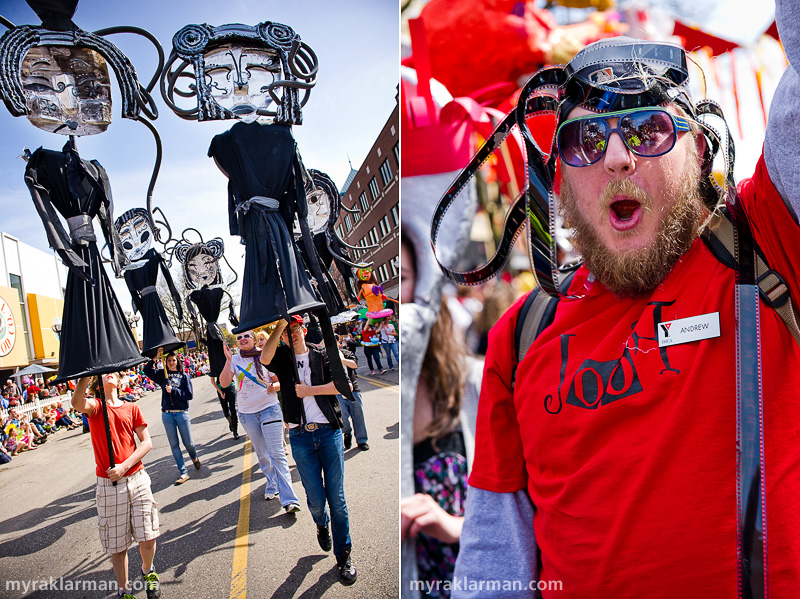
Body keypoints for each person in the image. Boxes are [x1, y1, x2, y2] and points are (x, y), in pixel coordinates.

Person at [451, 7, 800, 598]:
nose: (616, 156)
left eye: (649, 129)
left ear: (699, 151)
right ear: (558, 179)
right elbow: (494, 556)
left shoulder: (770, 232)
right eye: (585, 139)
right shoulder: (521, 334)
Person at [261, 315, 358, 585]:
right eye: (286, 331)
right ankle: (320, 523)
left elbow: (345, 385)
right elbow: (265, 358)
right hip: (301, 437)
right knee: (316, 499)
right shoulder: (282, 357)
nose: (291, 334)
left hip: (329, 433)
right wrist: (278, 325)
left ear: (304, 329)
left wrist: (310, 391)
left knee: (336, 498)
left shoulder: (321, 354)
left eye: (294, 328)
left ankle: (344, 555)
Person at [70, 373, 161, 599]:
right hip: (110, 485)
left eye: (115, 373)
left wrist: (125, 465)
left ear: (120, 382)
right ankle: (124, 588)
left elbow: (147, 442)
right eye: (103, 372)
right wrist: (84, 373)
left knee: (148, 536)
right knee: (117, 545)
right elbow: (76, 403)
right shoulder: (95, 407)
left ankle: (148, 571)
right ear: (97, 382)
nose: (110, 373)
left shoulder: (132, 408)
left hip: (137, 478)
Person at [219, 330, 301, 513]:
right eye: (239, 337)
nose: (242, 339)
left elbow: (280, 381)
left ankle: (290, 499)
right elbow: (224, 383)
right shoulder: (235, 359)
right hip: (248, 415)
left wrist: (274, 387)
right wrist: (227, 360)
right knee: (263, 454)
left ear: (254, 339)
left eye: (246, 336)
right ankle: (272, 482)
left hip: (269, 410)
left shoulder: (265, 356)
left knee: (277, 453)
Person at [144, 349, 201, 485]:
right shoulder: (162, 375)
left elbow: (189, 395)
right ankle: (183, 472)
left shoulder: (184, 376)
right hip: (167, 414)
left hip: (182, 413)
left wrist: (173, 390)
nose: (171, 363)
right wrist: (156, 357)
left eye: (173, 360)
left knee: (189, 444)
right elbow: (147, 370)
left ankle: (194, 457)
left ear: (177, 362)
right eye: (168, 360)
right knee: (174, 445)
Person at [335, 336, 369, 451]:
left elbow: (354, 365)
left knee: (358, 415)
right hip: (337, 391)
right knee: (342, 416)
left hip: (353, 389)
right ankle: (347, 433)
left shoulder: (346, 353)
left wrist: (342, 360)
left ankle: (362, 440)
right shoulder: (325, 356)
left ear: (339, 343)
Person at [210, 375, 240, 440]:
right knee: (226, 412)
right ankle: (230, 421)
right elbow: (212, 381)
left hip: (230, 386)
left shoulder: (228, 364)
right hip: (220, 389)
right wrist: (220, 392)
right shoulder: (213, 365)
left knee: (233, 409)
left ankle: (235, 430)